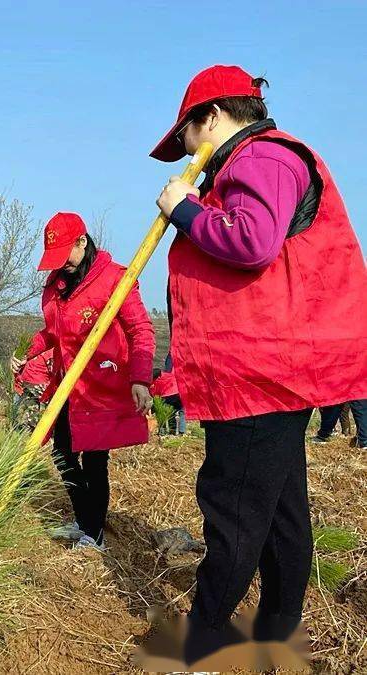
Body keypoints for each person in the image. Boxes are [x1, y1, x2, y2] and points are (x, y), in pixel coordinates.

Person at [151, 64, 367, 665]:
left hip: (257, 375)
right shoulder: (258, 161)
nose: (184, 154)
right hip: (263, 372)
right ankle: (275, 637)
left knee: (235, 513)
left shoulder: (261, 160)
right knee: (278, 512)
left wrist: (184, 211)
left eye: (187, 137)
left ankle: (200, 639)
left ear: (212, 118)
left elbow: (252, 242)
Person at [11, 212, 155, 549]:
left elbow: (141, 330)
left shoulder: (115, 279)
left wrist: (141, 378)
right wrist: (28, 351)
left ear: (82, 241)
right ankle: (85, 520)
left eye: (66, 256)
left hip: (102, 386)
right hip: (67, 387)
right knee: (62, 453)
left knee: (94, 461)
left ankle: (95, 535)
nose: (62, 265)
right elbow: (52, 333)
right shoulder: (57, 286)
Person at [13, 349, 53, 431]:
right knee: (31, 422)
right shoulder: (52, 352)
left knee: (20, 420)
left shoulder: (32, 347)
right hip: (35, 388)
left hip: (23, 385)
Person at [151, 362, 186, 435]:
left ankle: (162, 431)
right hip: (180, 395)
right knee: (179, 413)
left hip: (169, 396)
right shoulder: (170, 375)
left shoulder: (157, 381)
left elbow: (154, 394)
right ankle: (179, 431)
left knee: (160, 412)